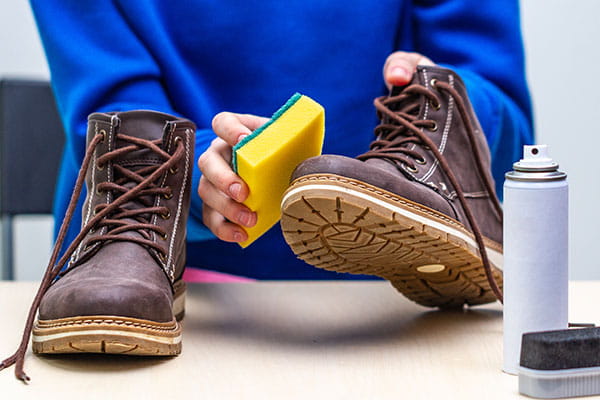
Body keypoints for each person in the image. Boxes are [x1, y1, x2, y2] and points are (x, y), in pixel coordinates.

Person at [30, 0, 532, 281]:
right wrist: (201, 165)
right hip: (148, 271)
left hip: (392, 291)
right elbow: (121, 124)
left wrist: (449, 109)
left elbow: (509, 125)